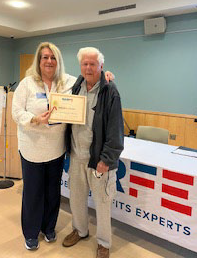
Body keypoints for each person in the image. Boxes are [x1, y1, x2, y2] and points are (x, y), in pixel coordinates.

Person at [12, 42, 114, 251]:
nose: (49, 61)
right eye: (45, 57)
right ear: (38, 61)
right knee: (33, 193)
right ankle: (31, 233)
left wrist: (106, 75)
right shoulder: (27, 84)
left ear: (58, 61)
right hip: (32, 149)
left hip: (56, 150)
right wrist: (34, 119)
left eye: (53, 57)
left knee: (52, 193)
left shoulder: (68, 82)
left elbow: (91, 75)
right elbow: (16, 112)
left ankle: (49, 228)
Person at [61, 47, 124, 258]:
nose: (88, 68)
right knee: (76, 198)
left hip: (99, 160)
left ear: (101, 66)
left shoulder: (110, 91)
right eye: (85, 64)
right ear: (81, 66)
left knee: (102, 203)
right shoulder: (76, 86)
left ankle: (104, 242)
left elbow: (116, 131)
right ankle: (80, 230)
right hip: (77, 156)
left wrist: (106, 159)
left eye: (93, 64)